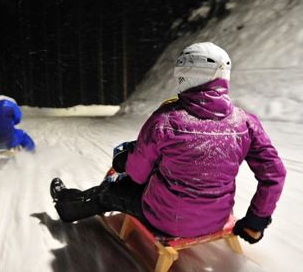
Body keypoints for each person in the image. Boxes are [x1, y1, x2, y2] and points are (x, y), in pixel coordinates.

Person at [50, 42, 286, 244]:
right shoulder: (245, 122)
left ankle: (66, 205)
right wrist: (256, 220)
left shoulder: (166, 121)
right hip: (218, 217)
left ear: (186, 74)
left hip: (167, 220)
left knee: (110, 191)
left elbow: (138, 176)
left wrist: (124, 162)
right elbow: (274, 173)